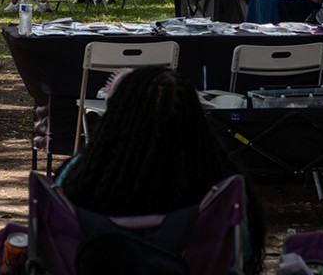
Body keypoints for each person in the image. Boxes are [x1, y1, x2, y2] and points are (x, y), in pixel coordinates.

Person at [56, 66, 265, 275]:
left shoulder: (80, 176)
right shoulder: (223, 187)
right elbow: (241, 255)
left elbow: (58, 250)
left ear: (115, 116)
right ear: (197, 119)